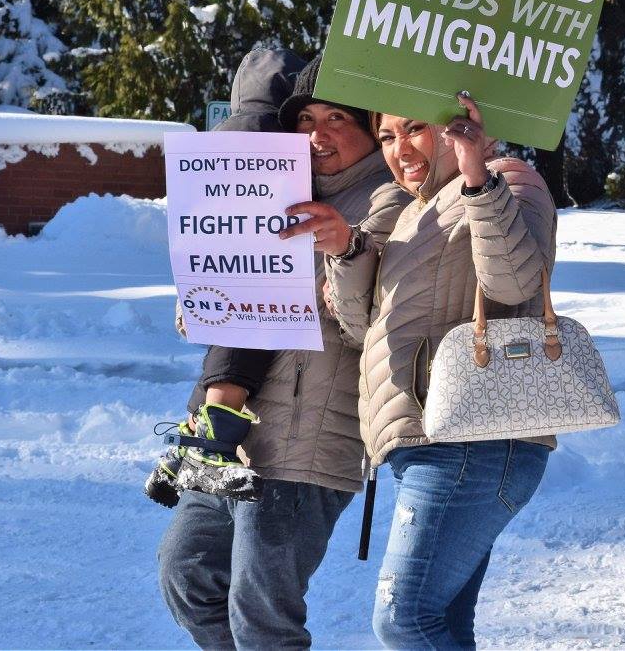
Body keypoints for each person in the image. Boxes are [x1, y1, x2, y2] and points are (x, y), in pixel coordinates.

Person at [156, 56, 410, 650]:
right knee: (187, 577)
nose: (318, 135)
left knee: (261, 612)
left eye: (337, 118)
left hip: (308, 442)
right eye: (305, 120)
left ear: (371, 126)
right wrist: (203, 295)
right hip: (226, 435)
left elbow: (373, 326)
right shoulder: (266, 187)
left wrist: (343, 250)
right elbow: (223, 305)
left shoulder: (392, 203)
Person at [289, 93, 558, 650]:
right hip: (425, 439)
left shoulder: (511, 179)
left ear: (456, 126)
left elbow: (514, 285)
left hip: (474, 440)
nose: (399, 149)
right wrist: (347, 250)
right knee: (443, 623)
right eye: (387, 136)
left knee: (404, 618)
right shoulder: (413, 209)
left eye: (414, 129)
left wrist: (477, 177)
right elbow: (363, 330)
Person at [147, 47, 305, 507]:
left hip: (218, 270)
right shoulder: (283, 142)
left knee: (229, 344)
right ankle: (210, 447)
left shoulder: (222, 139)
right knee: (251, 330)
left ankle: (183, 448)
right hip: (262, 268)